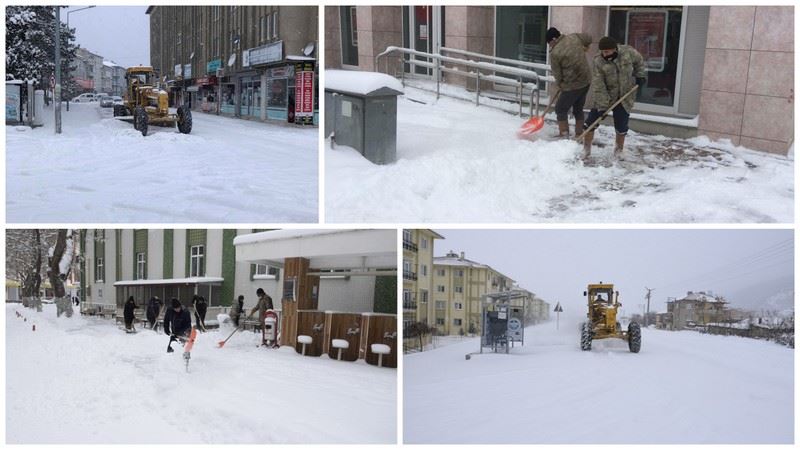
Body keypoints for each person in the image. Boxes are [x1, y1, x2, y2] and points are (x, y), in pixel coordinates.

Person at [583, 36, 646, 160]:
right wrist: (602, 106)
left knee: (621, 126)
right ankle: (586, 149)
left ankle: (618, 150)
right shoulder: (598, 61)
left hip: (625, 96)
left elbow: (639, 61)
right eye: (602, 51)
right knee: (590, 123)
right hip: (606, 95)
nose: (604, 54)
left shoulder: (627, 52)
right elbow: (598, 84)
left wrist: (640, 75)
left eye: (607, 51)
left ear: (614, 49)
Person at [546, 27, 592, 138]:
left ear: (554, 39)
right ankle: (579, 133)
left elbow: (557, 73)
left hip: (572, 85)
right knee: (578, 108)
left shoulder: (555, 53)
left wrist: (561, 84)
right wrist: (586, 47)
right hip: (586, 81)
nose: (549, 45)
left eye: (549, 42)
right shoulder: (574, 37)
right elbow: (589, 38)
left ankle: (564, 134)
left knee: (560, 109)